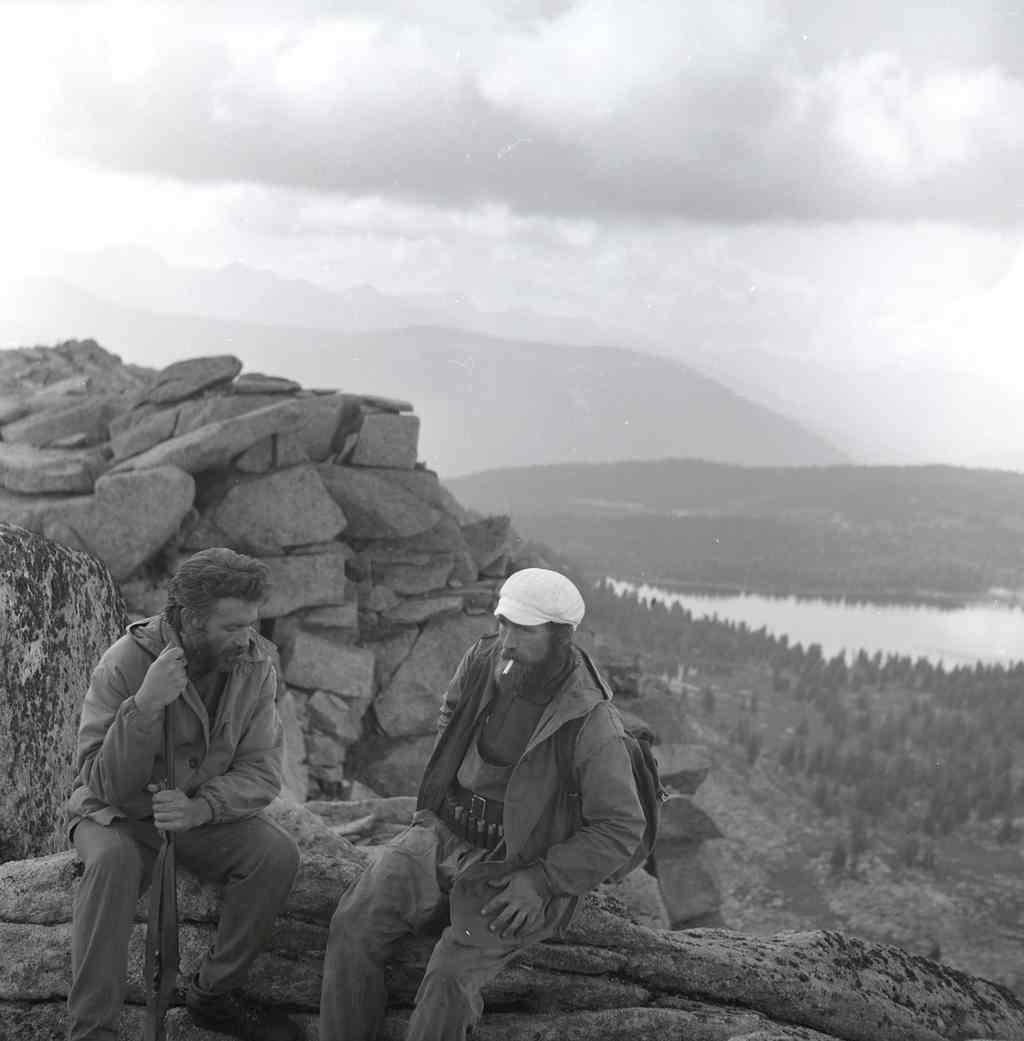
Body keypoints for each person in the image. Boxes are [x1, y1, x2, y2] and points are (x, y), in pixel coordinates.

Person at [319, 567, 646, 1041]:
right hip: (441, 832)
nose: (508, 641)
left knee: (449, 979)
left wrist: (542, 881)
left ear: (561, 636)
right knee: (353, 926)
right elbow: (451, 712)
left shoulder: (591, 720)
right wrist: (437, 803)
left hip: (513, 866)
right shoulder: (483, 658)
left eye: (525, 630)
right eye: (503, 623)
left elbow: (620, 827)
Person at [66, 547, 302, 1041]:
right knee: (112, 863)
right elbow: (101, 782)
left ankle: (213, 995)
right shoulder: (125, 661)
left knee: (275, 854)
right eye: (231, 627)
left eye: (251, 624)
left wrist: (202, 808)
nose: (246, 638)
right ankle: (92, 1030)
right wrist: (146, 705)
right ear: (191, 619)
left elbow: (261, 770)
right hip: (116, 815)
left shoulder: (255, 665)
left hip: (193, 814)